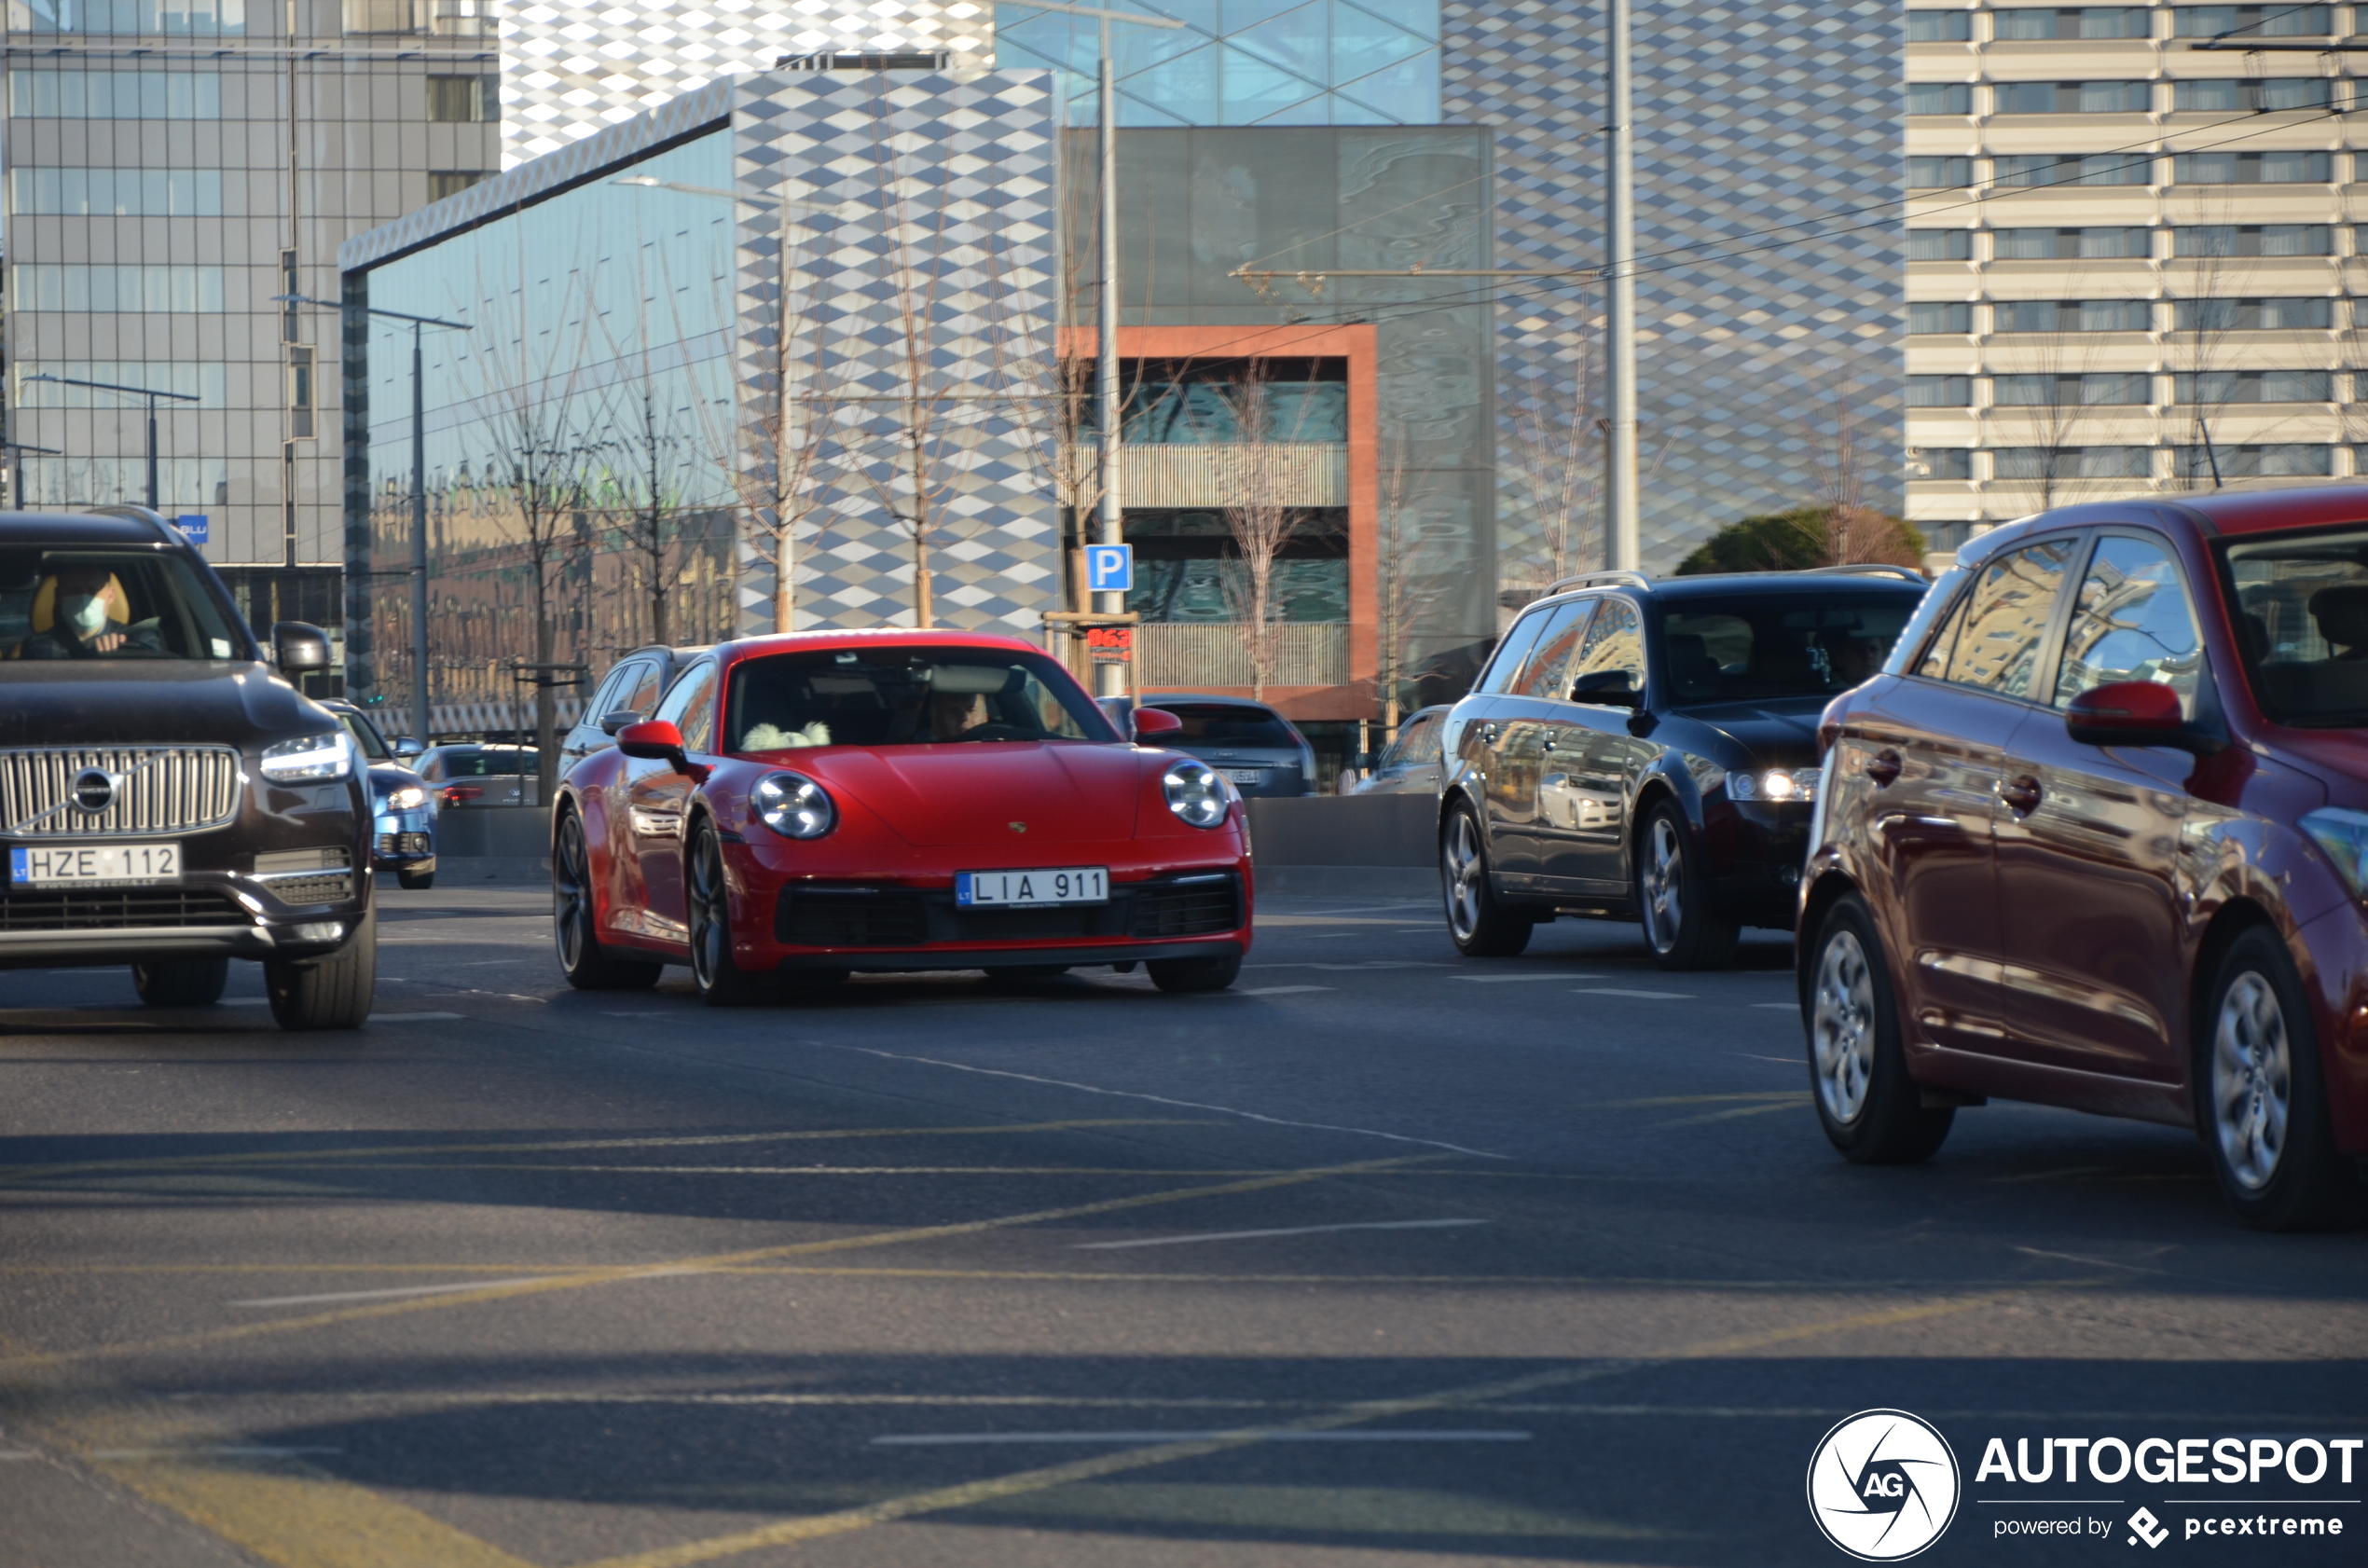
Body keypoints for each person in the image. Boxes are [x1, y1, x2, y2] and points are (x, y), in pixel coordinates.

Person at [20, 566, 163, 659]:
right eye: (74, 591)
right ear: (58, 596)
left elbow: (158, 673)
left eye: (92, 590)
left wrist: (124, 655)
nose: (84, 599)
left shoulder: (137, 640)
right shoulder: (39, 648)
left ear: (111, 595)